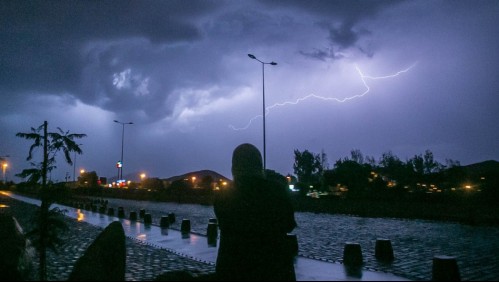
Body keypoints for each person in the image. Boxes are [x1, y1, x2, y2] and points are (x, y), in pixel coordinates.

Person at [214, 143, 297, 281]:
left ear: (234, 168)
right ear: (259, 165)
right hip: (274, 269)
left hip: (233, 269)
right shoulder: (276, 191)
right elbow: (289, 224)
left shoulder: (224, 196)